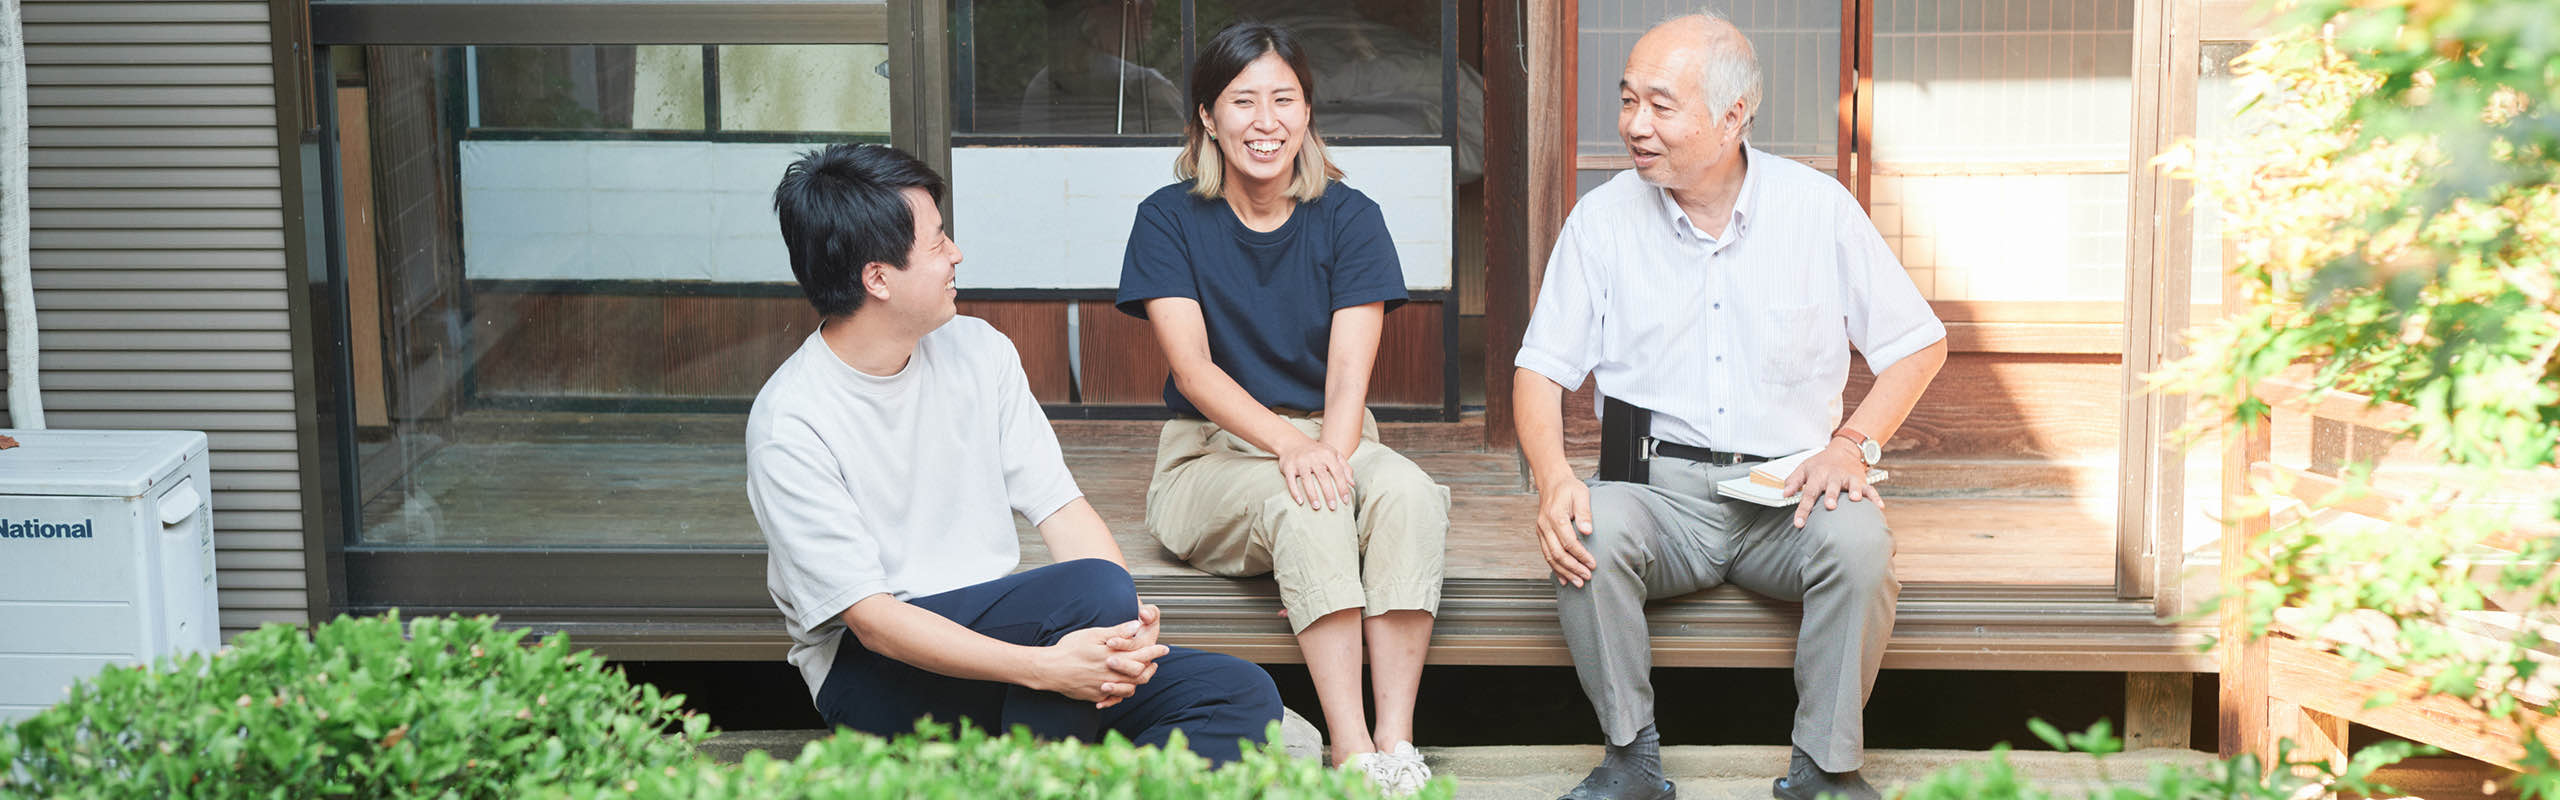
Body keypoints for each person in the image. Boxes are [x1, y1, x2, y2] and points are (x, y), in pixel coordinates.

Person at [1510, 12, 1950, 800]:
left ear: (1734, 115)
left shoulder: (1817, 209)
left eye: (1660, 105)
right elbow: (1539, 370)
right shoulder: (1604, 220)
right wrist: (1552, 477)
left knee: (1862, 547)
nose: (1633, 126)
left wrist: (1851, 445)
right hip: (1653, 493)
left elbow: (1918, 344)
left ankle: (1825, 767)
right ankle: (1629, 759)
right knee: (1585, 532)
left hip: (1790, 495)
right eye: (1627, 101)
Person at [746, 142, 1282, 765]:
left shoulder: (979, 350)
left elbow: (1059, 506)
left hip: (1016, 640)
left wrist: (1126, 629)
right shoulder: (793, 419)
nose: (957, 255)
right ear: (877, 278)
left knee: (1240, 695)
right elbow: (873, 622)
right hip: (879, 674)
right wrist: (1046, 669)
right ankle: (1041, 771)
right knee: (1091, 592)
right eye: (938, 241)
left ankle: (1035, 770)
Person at [1114, 20, 1450, 796]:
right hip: (1212, 451)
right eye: (1242, 102)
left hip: (1334, 433)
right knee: (1311, 509)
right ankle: (1352, 747)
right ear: (1206, 115)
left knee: (1407, 495)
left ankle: (1398, 741)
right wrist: (1292, 452)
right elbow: (1194, 372)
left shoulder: (1350, 216)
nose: (1266, 122)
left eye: (1284, 100)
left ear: (1306, 112)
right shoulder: (1167, 219)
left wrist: (1326, 450)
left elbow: (1348, 373)